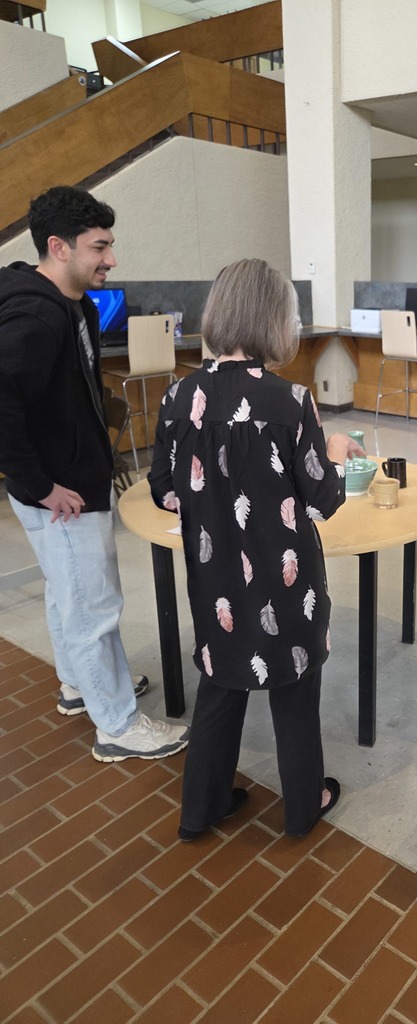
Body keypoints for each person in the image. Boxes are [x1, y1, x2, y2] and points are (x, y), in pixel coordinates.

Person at [149, 258, 363, 840]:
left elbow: (164, 490)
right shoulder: (289, 401)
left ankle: (202, 808)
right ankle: (302, 807)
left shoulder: (177, 397)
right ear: (274, 319)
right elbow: (323, 500)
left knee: (219, 687)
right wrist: (334, 453)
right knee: (294, 690)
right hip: (284, 581)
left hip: (214, 577)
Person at [0, 185, 189, 762]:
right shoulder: (35, 313)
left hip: (64, 480)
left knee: (68, 594)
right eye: (99, 247)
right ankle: (118, 726)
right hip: (62, 491)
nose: (111, 258)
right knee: (93, 607)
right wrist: (41, 486)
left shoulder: (69, 301)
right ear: (59, 247)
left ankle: (80, 685)